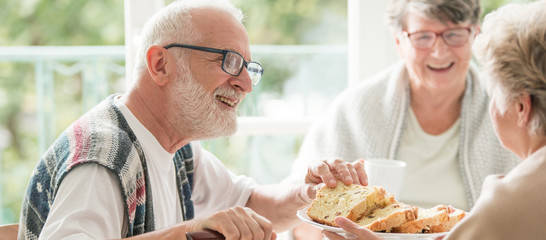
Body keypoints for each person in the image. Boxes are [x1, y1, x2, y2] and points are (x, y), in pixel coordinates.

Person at [17, 0, 368, 239]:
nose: (245, 84)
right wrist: (190, 231)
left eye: (248, 68)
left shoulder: (176, 147)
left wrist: (310, 193)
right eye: (229, 61)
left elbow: (251, 206)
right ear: (160, 64)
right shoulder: (104, 155)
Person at [324, 0, 546, 239]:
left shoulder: (508, 207)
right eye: (424, 37)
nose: (440, 52)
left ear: (521, 107)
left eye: (494, 92)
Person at [285, 0, 519, 238]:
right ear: (399, 42)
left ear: (474, 36)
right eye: (423, 37)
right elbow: (298, 222)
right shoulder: (354, 110)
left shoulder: (509, 111)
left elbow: (525, 216)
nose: (439, 52)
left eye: (454, 34)